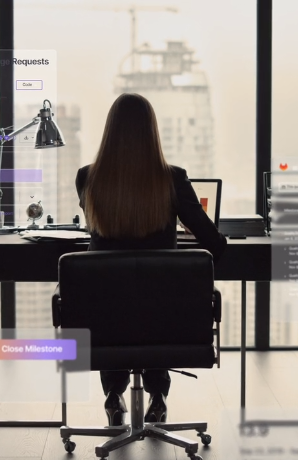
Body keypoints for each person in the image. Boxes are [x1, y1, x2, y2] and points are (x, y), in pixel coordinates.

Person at [75, 93, 227, 426]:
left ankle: (113, 396)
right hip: (163, 317)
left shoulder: (87, 177)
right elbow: (213, 243)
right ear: (152, 131)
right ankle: (157, 397)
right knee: (158, 296)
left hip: (106, 317)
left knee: (111, 299)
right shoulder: (173, 178)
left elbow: (98, 227)